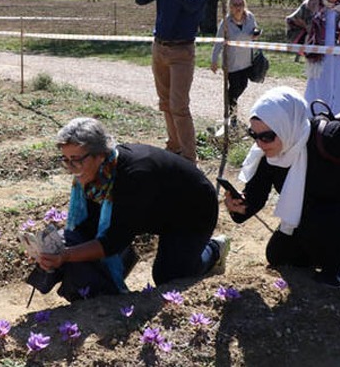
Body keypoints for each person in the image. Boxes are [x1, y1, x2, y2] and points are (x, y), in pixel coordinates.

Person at [35, 117, 229, 302]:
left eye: (75, 159)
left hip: (191, 211)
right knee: (78, 238)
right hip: (153, 210)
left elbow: (113, 241)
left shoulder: (135, 175)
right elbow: (88, 227)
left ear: (100, 154)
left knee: (169, 276)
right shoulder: (97, 175)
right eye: (66, 159)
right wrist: (52, 249)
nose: (70, 167)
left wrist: (66, 255)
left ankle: (214, 250)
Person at [224, 87, 340, 286]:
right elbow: (255, 196)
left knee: (316, 224)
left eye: (267, 136)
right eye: (254, 134)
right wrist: (239, 205)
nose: (260, 143)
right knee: (279, 255)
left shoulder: (329, 137)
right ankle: (323, 244)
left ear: (286, 126)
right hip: (317, 209)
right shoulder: (269, 153)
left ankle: (337, 265)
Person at [135, 0, 211, 163]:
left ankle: (188, 158)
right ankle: (174, 148)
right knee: (165, 103)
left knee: (179, 106)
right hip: (160, 48)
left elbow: (192, 3)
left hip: (181, 51)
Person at [211, 0, 260, 134]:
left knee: (241, 87)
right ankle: (232, 120)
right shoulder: (226, 22)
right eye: (235, 5)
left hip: (246, 61)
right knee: (233, 91)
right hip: (231, 64)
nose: (239, 8)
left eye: (241, 4)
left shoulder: (250, 17)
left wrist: (256, 34)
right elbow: (218, 42)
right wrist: (214, 60)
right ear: (230, 7)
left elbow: (254, 30)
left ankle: (230, 107)